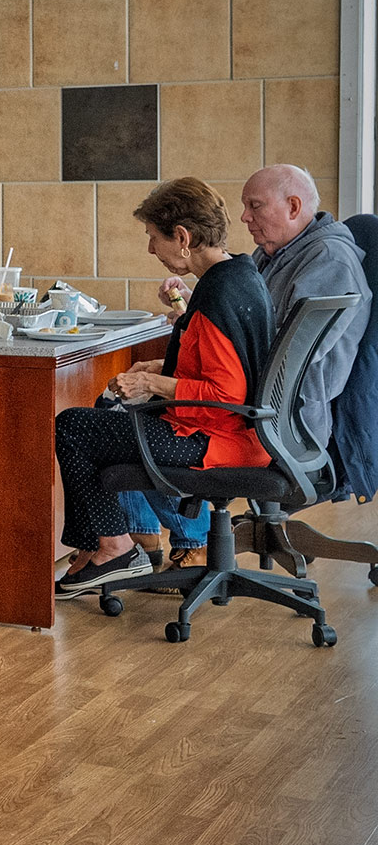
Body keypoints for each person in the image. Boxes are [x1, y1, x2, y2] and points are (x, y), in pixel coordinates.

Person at [54, 178, 274, 600]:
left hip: (213, 439)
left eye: (154, 238)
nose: (151, 249)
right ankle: (99, 548)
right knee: (101, 420)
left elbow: (225, 393)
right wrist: (161, 364)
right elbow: (226, 361)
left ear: (183, 237)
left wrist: (151, 382)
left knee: (74, 426)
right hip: (245, 434)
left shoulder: (217, 295)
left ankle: (113, 548)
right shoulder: (239, 274)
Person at [235, 164, 370, 448]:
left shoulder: (331, 259)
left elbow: (290, 353)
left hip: (287, 422)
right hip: (254, 404)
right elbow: (240, 311)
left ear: (293, 207)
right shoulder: (269, 252)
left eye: (255, 206)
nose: (245, 216)